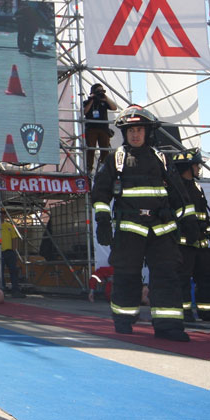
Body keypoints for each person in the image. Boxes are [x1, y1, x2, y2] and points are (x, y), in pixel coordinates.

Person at [91, 104, 200, 342]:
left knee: (166, 277)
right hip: (130, 230)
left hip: (162, 230)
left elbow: (179, 194)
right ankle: (124, 322)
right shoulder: (115, 160)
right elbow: (100, 194)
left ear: (148, 131)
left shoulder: (161, 159)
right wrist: (102, 220)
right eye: (131, 130)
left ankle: (169, 327)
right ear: (125, 133)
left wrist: (189, 219)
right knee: (126, 276)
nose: (135, 134)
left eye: (139, 129)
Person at [172, 148, 210, 322]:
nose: (199, 169)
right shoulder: (176, 188)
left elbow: (203, 214)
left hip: (201, 244)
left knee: (205, 279)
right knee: (183, 279)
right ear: (189, 166)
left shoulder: (197, 186)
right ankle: (185, 313)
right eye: (197, 165)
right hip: (184, 244)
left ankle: (205, 312)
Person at [0, 212, 25, 298]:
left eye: (3, 214)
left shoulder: (9, 226)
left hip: (9, 251)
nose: (2, 216)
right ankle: (2, 289)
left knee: (13, 270)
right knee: (0, 271)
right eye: (0, 214)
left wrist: (14, 250)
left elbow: (14, 238)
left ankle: (15, 290)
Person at [83, 83, 117, 174]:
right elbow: (85, 111)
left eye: (101, 90)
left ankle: (104, 166)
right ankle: (89, 168)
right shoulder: (88, 101)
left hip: (103, 129)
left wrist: (105, 97)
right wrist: (92, 99)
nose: (100, 93)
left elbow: (114, 107)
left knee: (105, 149)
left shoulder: (104, 101)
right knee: (91, 148)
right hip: (91, 129)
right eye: (98, 91)